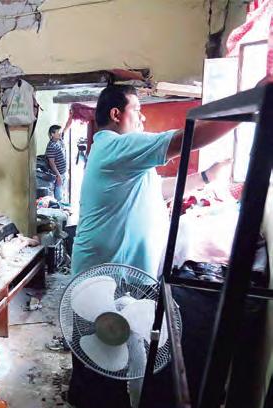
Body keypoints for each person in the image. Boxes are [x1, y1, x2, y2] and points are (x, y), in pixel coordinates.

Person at [71, 84, 238, 278]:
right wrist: (243, 109)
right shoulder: (116, 145)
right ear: (116, 115)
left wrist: (206, 177)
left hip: (119, 273)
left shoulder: (116, 152)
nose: (142, 117)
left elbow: (159, 189)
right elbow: (186, 140)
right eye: (137, 110)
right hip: (106, 274)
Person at [45, 113, 72, 202]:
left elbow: (67, 127)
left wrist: (73, 114)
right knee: (58, 197)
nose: (60, 133)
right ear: (52, 134)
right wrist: (58, 175)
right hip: (58, 175)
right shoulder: (51, 146)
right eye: (58, 132)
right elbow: (51, 163)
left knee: (63, 193)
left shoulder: (59, 140)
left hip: (63, 173)